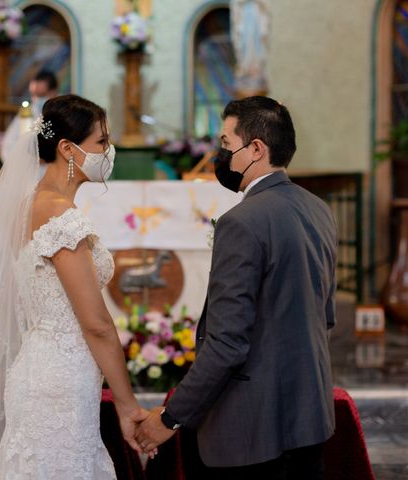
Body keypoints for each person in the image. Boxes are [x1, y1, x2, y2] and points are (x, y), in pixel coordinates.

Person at [0, 95, 152, 479]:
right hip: (62, 381)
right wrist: (127, 406)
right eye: (101, 142)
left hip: (38, 367)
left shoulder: (29, 204)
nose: (109, 151)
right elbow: (96, 323)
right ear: (67, 149)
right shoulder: (60, 215)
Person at [135, 96, 338, 479]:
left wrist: (171, 417)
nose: (221, 155)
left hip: (251, 430)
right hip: (309, 418)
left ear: (256, 148)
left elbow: (227, 343)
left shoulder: (242, 222)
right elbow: (325, 316)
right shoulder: (318, 209)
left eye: (227, 145)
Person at [0, 69, 59, 164]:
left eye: (41, 95)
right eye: (34, 95)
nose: (37, 99)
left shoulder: (63, 112)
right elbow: (7, 146)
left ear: (54, 92)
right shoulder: (27, 113)